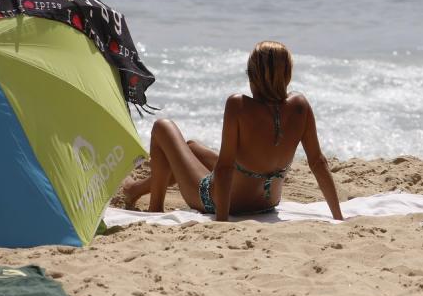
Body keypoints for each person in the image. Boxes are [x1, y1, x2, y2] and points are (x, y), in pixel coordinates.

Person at [121, 41, 344, 221]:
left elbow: (226, 168)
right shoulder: (300, 106)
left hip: (221, 202)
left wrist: (222, 219)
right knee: (192, 148)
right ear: (287, 74)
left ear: (252, 75)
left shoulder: (238, 105)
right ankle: (137, 190)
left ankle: (155, 207)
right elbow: (318, 162)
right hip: (267, 202)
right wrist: (338, 216)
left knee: (163, 127)